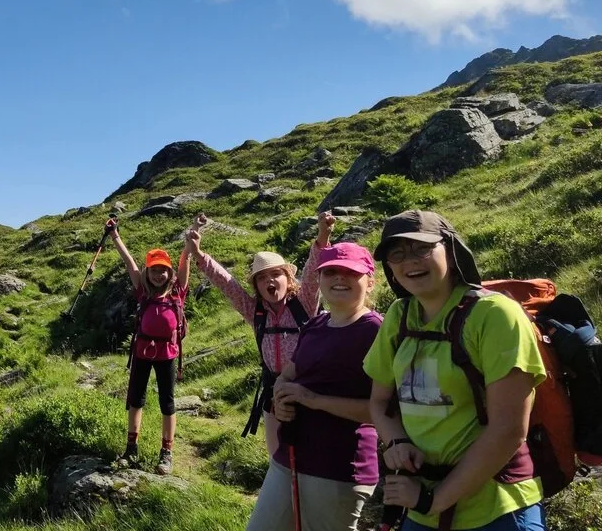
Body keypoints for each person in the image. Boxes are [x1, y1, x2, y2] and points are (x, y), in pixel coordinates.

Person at [364, 210, 547, 531]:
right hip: (421, 508)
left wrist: (433, 500)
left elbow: (508, 430)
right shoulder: (398, 316)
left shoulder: (495, 314)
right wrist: (396, 442)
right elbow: (379, 403)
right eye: (397, 253)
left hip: (498, 509)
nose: (410, 261)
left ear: (449, 248)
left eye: (422, 248)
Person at [244, 218, 384, 531]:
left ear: (370, 281)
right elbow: (286, 376)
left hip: (338, 467)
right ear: (319, 280)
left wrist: (312, 399)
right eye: (331, 271)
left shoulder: (376, 331)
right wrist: (281, 399)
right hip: (288, 457)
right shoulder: (316, 324)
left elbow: (384, 409)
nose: (339, 278)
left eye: (351, 272)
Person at [191, 212, 322, 458]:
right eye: (262, 277)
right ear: (257, 286)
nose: (269, 280)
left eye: (276, 274)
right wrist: (199, 255)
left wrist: (322, 237)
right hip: (273, 389)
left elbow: (314, 272)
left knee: (311, 457)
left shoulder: (303, 303)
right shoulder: (255, 311)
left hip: (309, 388)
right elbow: (226, 283)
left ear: (288, 278)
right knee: (277, 459)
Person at [108, 217, 190, 474]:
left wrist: (194, 235)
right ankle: (131, 448)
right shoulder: (142, 291)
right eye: (154, 270)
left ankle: (167, 453)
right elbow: (129, 262)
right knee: (136, 399)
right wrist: (115, 237)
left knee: (167, 402)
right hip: (142, 352)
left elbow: (186, 259)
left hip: (168, 353)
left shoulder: (178, 292)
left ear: (169, 272)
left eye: (163, 270)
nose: (158, 274)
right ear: (148, 273)